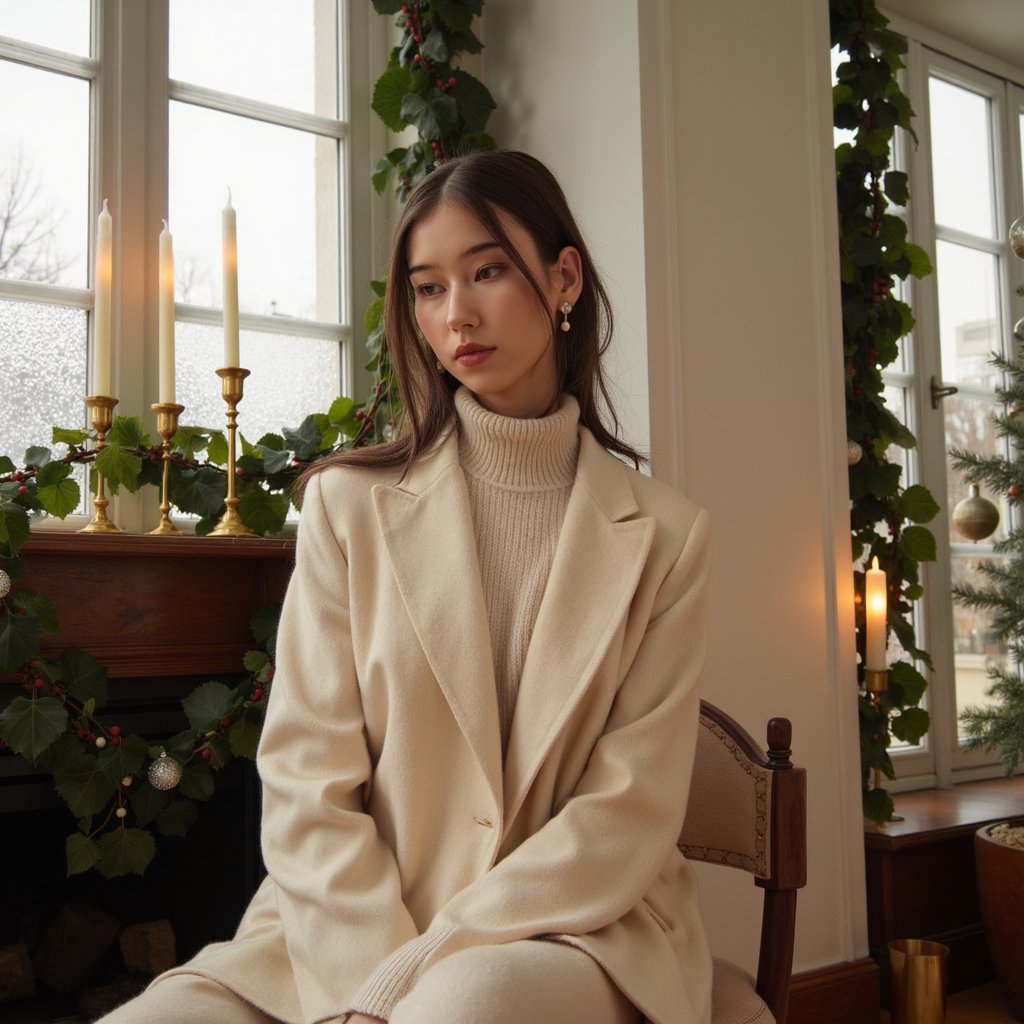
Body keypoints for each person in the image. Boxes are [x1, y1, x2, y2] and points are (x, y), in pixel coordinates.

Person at [99, 149, 713, 1024]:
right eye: (428, 288)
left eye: (488, 271)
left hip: (581, 932)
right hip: (339, 920)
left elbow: (623, 818)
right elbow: (307, 781)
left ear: (564, 276)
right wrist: (372, 975)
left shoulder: (669, 537)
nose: (456, 313)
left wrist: (424, 968)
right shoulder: (347, 508)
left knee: (464, 1003)